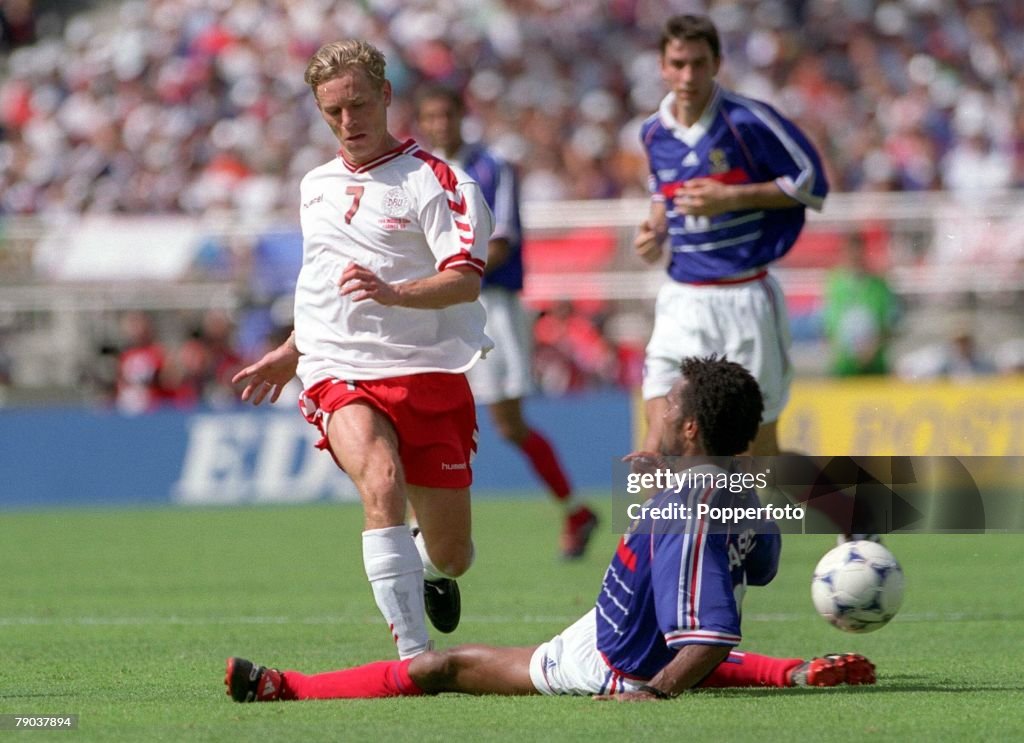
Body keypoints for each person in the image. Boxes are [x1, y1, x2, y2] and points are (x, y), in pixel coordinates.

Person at [224, 356, 875, 703]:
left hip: (606, 660)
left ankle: (289, 688)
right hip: (612, 629)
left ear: (688, 430)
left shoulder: (692, 505)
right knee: (678, 646)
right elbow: (755, 567)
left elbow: (707, 638)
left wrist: (654, 693)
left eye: (671, 403)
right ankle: (790, 671)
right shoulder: (738, 494)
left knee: (438, 668)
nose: (660, 404)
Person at [231, 40, 495, 660]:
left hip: (429, 370)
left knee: (454, 556)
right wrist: (294, 350)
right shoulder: (314, 186)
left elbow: (466, 277)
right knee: (380, 479)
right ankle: (414, 657)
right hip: (339, 369)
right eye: (333, 112)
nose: (348, 122)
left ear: (385, 96)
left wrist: (394, 293)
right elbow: (321, 283)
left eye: (357, 105)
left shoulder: (439, 182)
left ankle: (426, 570)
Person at [414, 86, 599, 559]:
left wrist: (449, 276)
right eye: (430, 115)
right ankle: (421, 522)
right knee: (433, 409)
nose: (438, 123)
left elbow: (503, 241)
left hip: (490, 301)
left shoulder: (492, 168)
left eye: (445, 113)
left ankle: (575, 511)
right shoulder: (417, 172)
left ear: (460, 116)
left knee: (509, 424)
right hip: (439, 302)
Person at [634, 14, 828, 456]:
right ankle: (647, 530)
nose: (688, 76)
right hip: (682, 298)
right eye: (678, 63)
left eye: (698, 64)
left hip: (744, 297)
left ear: (717, 63)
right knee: (662, 440)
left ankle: (851, 515)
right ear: (662, 66)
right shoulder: (652, 132)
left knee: (759, 455)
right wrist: (653, 233)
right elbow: (662, 196)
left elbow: (811, 183)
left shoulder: (748, 121)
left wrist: (732, 197)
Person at [822, 233, 900, 376]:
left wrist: (872, 348)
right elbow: (828, 326)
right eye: (849, 252)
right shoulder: (834, 284)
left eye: (857, 251)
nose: (853, 257)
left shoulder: (879, 285)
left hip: (875, 366)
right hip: (844, 367)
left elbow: (890, 322)